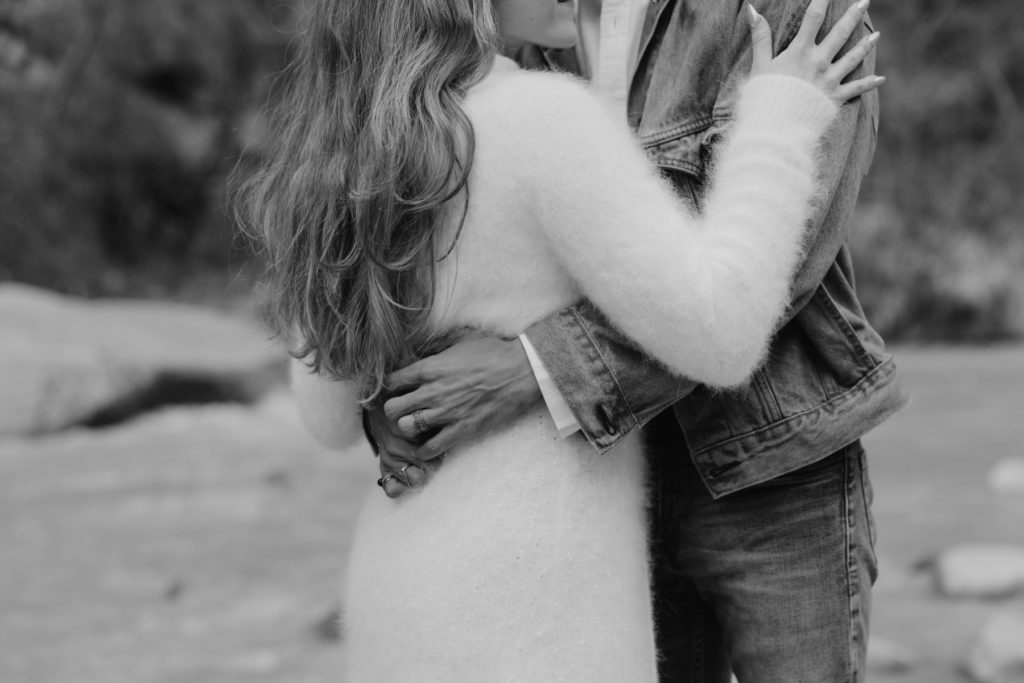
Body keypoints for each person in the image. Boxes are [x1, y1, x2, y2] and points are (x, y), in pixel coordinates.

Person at [237, 0, 883, 680]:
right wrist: (779, 120)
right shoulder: (543, 116)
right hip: (543, 595)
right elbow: (722, 330)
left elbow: (328, 416)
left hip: (401, 585)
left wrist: (401, 401)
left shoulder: (338, 157)